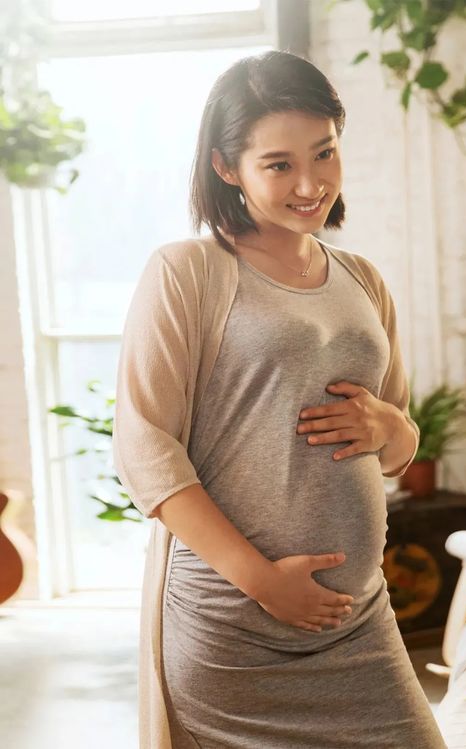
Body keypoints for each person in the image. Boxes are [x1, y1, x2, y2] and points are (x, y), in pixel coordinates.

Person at [112, 50, 448, 748]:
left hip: (359, 623)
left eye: (324, 153)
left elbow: (398, 447)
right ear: (226, 167)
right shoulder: (189, 272)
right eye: (278, 164)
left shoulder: (362, 279)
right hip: (232, 627)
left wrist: (389, 424)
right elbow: (145, 447)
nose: (310, 182)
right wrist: (262, 580)